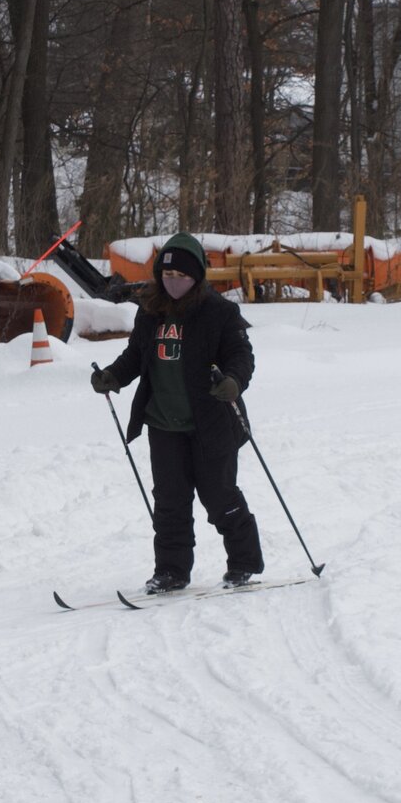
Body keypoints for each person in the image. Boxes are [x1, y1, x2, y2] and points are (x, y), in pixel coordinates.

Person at [91, 232, 265, 591]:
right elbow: (136, 356)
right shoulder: (151, 309)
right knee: (170, 501)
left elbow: (241, 356)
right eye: (167, 276)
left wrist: (233, 381)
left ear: (197, 276)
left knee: (220, 498)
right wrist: (112, 376)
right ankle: (171, 571)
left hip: (211, 422)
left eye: (181, 277)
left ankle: (244, 562)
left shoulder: (219, 311)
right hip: (163, 422)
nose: (173, 283)